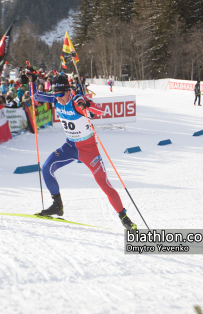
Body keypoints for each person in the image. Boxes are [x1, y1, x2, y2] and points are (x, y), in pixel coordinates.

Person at [29, 74, 137, 231]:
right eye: (55, 94)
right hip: (70, 146)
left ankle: (124, 217)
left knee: (104, 184)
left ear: (68, 91)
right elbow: (37, 96)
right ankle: (57, 205)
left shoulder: (76, 102)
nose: (58, 98)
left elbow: (100, 111)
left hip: (89, 151)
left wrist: (87, 103)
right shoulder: (56, 100)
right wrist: (31, 80)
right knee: (46, 168)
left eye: (60, 94)